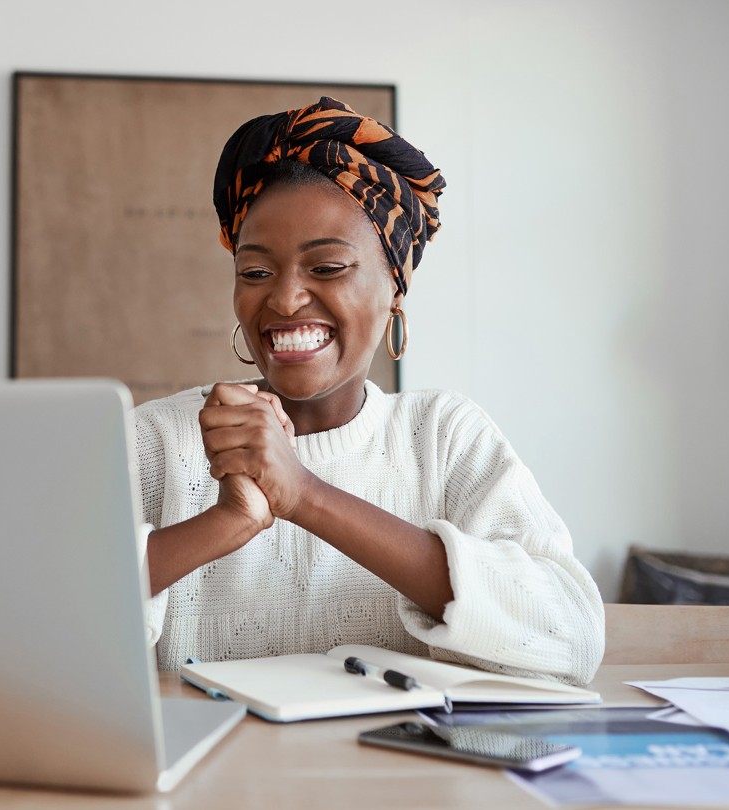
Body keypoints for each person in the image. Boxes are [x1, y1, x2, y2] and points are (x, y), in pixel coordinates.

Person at [136, 97, 604, 685]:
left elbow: (571, 638)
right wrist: (227, 521)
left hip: (410, 776)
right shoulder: (156, 440)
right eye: (255, 272)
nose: (283, 300)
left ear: (394, 289)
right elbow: (39, 619)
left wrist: (303, 494)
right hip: (209, 775)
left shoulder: (443, 436)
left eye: (327, 267)